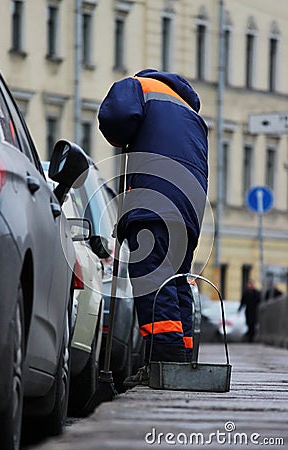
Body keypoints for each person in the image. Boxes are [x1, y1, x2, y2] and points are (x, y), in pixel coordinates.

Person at [98, 69, 208, 386]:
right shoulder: (190, 113)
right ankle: (182, 365)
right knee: (175, 283)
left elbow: (117, 116)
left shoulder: (139, 86)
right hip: (189, 211)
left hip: (156, 203)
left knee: (153, 281)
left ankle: (166, 365)